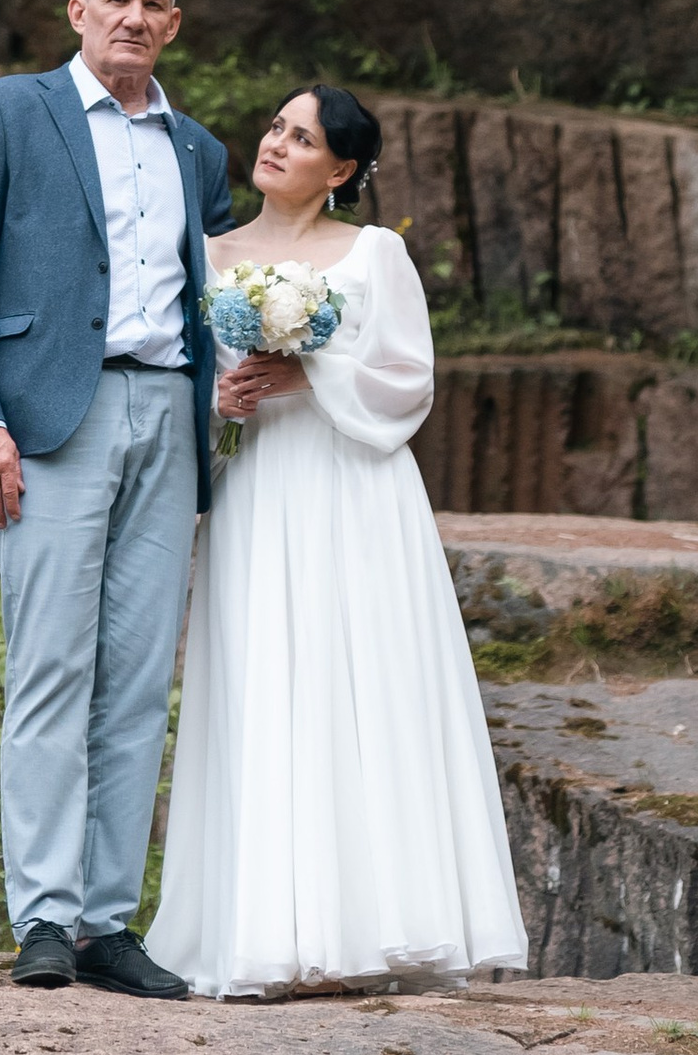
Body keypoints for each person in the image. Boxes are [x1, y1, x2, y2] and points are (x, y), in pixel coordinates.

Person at [144, 84, 528, 998]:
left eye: (303, 138)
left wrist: (310, 374)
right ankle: (267, 934)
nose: (276, 143)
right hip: (257, 489)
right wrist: (219, 399)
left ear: (342, 169)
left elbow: (409, 380)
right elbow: (179, 378)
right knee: (264, 681)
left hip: (355, 489)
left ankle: (379, 927)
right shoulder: (210, 254)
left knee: (364, 683)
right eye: (276, 126)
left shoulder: (375, 253)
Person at [0, 0, 232, 995]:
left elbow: (222, 288)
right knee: (51, 669)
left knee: (139, 681)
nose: (133, 18)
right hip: (52, 418)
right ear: (77, 11)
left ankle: (108, 922)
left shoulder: (198, 150)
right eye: (116, 0)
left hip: (170, 414)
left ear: (173, 25)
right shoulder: (10, 112)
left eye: (153, 4)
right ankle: (45, 917)